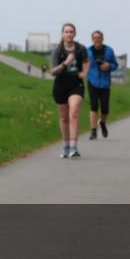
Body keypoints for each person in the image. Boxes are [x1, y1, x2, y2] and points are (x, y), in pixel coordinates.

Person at [50, 23, 90, 158]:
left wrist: (84, 72)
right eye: (66, 32)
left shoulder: (80, 49)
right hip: (60, 85)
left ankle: (74, 147)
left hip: (76, 85)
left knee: (73, 112)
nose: (69, 34)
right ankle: (65, 145)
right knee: (63, 117)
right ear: (62, 33)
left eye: (71, 32)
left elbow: (87, 61)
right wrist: (66, 62)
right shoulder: (58, 50)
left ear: (75, 34)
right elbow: (53, 72)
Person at [86, 30, 118, 140]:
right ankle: (93, 131)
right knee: (94, 106)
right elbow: (83, 64)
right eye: (94, 37)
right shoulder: (88, 51)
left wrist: (108, 66)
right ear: (92, 39)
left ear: (102, 39)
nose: (97, 39)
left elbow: (115, 65)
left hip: (105, 83)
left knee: (105, 109)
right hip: (92, 81)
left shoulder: (109, 51)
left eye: (99, 37)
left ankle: (103, 123)